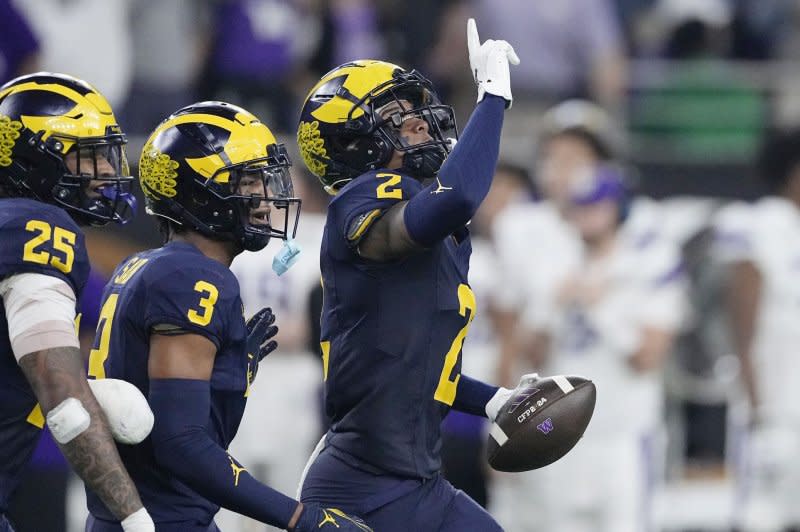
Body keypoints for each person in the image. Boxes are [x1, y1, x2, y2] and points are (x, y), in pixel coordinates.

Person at [83, 100, 370, 532]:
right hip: (163, 520)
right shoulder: (191, 276)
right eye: (248, 180)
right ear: (199, 190)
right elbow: (181, 444)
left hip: (139, 515)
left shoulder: (144, 264)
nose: (264, 196)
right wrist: (298, 517)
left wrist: (225, 379)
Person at [295, 19, 527, 531]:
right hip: (358, 485)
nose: (420, 122)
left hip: (418, 480)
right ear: (352, 143)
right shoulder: (363, 198)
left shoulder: (434, 228)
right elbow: (459, 196)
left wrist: (492, 399)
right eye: (394, 116)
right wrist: (491, 100)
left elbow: (413, 364)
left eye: (415, 110)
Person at [0, 72, 152, 531]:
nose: (107, 170)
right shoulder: (37, 227)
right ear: (35, 158)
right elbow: (61, 398)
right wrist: (135, 517)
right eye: (86, 156)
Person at [714, 128, 800, 531]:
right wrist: (757, 411)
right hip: (775, 411)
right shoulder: (761, 225)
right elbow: (742, 328)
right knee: (760, 520)